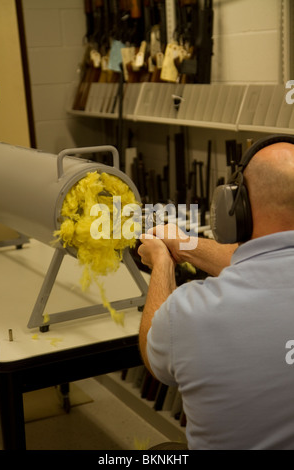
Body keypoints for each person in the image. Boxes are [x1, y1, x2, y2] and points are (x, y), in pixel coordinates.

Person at [137, 141, 294, 450]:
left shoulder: (188, 313)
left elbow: (153, 351)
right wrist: (183, 244)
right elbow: (262, 255)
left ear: (236, 207)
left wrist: (162, 263)